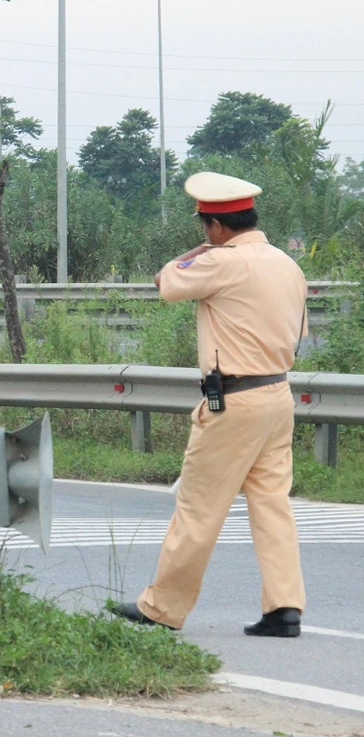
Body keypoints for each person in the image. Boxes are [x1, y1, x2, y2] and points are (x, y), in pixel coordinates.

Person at [111, 172, 308, 637]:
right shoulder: (287, 265)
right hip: (277, 395)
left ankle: (162, 606)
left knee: (198, 507)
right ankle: (284, 607)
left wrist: (197, 252)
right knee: (272, 504)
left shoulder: (221, 261)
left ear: (215, 226)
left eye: (205, 227)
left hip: (234, 402)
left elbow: (164, 282)